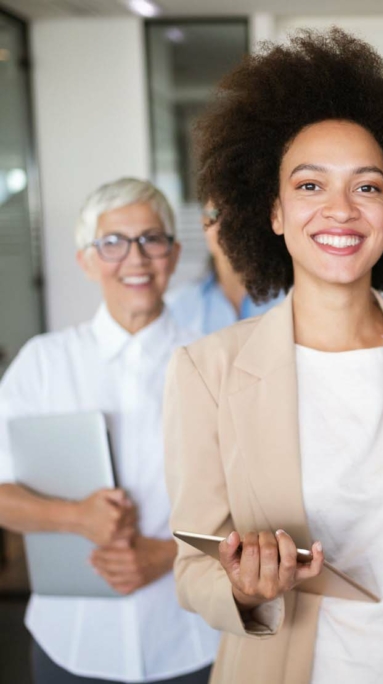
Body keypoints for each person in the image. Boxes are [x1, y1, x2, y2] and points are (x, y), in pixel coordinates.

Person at [163, 29, 383, 684]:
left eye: (366, 188)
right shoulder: (208, 369)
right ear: (275, 211)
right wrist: (245, 588)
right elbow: (192, 566)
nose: (340, 209)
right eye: (310, 186)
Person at [0, 178, 218, 683]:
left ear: (173, 252)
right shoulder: (43, 363)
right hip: (71, 644)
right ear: (87, 261)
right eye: (113, 243)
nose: (135, 258)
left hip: (189, 642)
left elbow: (257, 509)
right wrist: (73, 516)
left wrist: (167, 554)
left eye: (151, 239)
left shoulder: (215, 361)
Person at [167, 200, 284, 336]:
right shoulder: (178, 307)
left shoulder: (293, 298)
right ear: (203, 222)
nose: (227, 228)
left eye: (237, 214)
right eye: (216, 214)